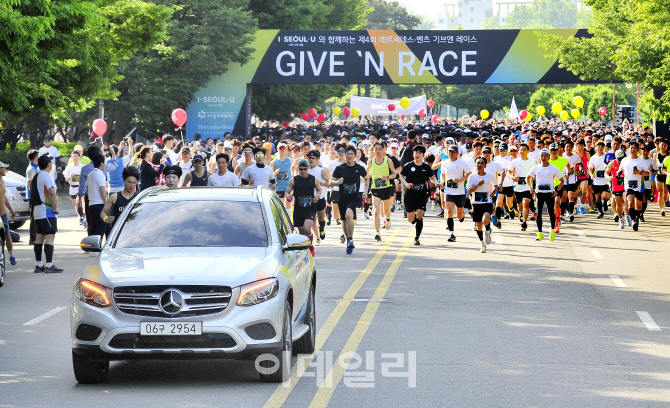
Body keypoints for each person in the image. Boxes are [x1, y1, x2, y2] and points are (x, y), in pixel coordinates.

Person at [330, 145, 367, 254]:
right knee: (344, 220)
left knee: (348, 215)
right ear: (345, 155)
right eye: (348, 154)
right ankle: (348, 241)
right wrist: (337, 182)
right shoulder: (339, 168)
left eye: (352, 154)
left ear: (355, 156)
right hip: (342, 197)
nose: (349, 156)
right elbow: (330, 182)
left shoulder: (359, 168)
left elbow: (367, 178)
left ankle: (350, 238)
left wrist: (365, 191)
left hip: (354, 196)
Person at [400, 145, 437, 246]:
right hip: (410, 193)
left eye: (420, 153)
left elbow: (432, 178)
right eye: (416, 152)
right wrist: (406, 184)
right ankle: (415, 219)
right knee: (411, 219)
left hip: (421, 193)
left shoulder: (426, 167)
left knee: (420, 213)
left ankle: (417, 238)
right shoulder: (408, 165)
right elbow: (401, 176)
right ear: (413, 154)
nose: (417, 154)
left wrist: (437, 183)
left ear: (423, 155)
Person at [32, 155, 63, 273]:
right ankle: (49, 265)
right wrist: (55, 208)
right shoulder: (47, 176)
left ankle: (39, 264)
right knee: (50, 236)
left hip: (37, 210)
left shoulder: (37, 176)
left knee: (39, 236)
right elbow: (52, 193)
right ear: (49, 164)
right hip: (47, 211)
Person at [285, 159, 321, 256]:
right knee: (301, 233)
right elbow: (287, 191)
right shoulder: (293, 180)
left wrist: (317, 197)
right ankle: (304, 251)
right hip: (298, 209)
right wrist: (289, 196)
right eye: (301, 169)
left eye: (305, 169)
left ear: (308, 168)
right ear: (298, 169)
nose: (303, 171)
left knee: (307, 229)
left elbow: (319, 190)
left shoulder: (314, 179)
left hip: (310, 208)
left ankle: (311, 246)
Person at [528, 149, 564, 242]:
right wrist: (531, 188)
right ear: (539, 157)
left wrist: (557, 191)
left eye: (545, 156)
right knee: (538, 213)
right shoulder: (536, 168)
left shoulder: (553, 168)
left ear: (548, 157)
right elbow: (528, 178)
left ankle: (552, 230)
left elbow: (562, 180)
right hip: (539, 193)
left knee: (551, 212)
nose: (543, 158)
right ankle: (540, 233)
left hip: (550, 194)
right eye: (542, 156)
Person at [367, 141, 398, 241]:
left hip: (387, 188)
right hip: (375, 189)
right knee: (376, 210)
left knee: (386, 210)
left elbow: (394, 174)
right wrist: (366, 176)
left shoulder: (388, 160)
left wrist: (387, 177)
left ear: (384, 149)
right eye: (376, 149)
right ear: (373, 150)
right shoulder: (370, 161)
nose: (378, 151)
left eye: (380, 149)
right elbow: (367, 174)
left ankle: (388, 219)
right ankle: (377, 232)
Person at [466, 157, 497, 252]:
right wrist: (478, 185)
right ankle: (482, 243)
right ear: (475, 165)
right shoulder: (472, 177)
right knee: (479, 226)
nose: (479, 165)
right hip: (476, 203)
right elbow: (469, 190)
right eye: (478, 163)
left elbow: (495, 184)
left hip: (487, 202)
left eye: (481, 163)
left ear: (485, 165)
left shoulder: (489, 176)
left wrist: (493, 192)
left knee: (486, 220)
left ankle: (487, 231)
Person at [441, 145, 470, 242]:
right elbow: (443, 174)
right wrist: (442, 182)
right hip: (449, 190)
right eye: (449, 151)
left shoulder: (462, 163)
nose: (451, 153)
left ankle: (462, 215)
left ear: (457, 153)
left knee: (459, 216)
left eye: (453, 151)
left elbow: (468, 174)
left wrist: (460, 180)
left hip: (460, 191)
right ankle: (452, 234)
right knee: (449, 211)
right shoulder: (445, 163)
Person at [507, 143, 536, 232]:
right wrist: (513, 177)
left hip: (528, 186)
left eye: (524, 149)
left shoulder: (532, 161)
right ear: (519, 151)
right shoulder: (515, 161)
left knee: (525, 203)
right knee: (520, 207)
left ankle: (524, 222)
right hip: (518, 187)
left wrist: (534, 186)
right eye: (521, 149)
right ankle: (521, 214)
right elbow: (508, 172)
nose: (522, 151)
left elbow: (535, 174)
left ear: (528, 151)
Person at [306, 150, 330, 244]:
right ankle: (313, 238)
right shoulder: (304, 169)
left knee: (321, 219)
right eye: (309, 158)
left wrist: (318, 183)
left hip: (320, 198)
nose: (311, 160)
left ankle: (322, 228)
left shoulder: (321, 170)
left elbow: (329, 183)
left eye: (313, 158)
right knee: (311, 220)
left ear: (318, 159)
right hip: (308, 199)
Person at [85, 154, 108, 239]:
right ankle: (96, 247)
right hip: (100, 204)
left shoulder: (90, 174)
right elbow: (102, 190)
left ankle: (92, 248)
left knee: (93, 226)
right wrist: (106, 203)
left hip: (91, 204)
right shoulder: (100, 174)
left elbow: (87, 188)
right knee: (101, 227)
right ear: (101, 164)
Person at [0, 162, 17, 265]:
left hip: (3, 214)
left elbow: (4, 197)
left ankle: (11, 256)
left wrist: (11, 209)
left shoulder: (2, 181)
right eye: (4, 168)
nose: (5, 170)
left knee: (7, 234)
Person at [64, 150, 85, 224]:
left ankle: (83, 217)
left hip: (80, 188)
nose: (75, 158)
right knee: (76, 205)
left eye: (76, 156)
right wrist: (70, 176)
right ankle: (80, 216)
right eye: (73, 156)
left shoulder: (82, 167)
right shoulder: (69, 167)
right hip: (72, 188)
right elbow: (66, 179)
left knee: (81, 202)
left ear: (79, 157)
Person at [270, 142, 293, 209]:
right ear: (277, 149)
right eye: (280, 148)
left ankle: (289, 219)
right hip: (278, 187)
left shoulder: (291, 161)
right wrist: (275, 173)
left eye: (284, 148)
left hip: (288, 186)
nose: (282, 150)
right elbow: (270, 176)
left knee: (288, 205)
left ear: (286, 150)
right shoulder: (273, 162)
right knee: (280, 206)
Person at [26, 149, 40, 244]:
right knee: (34, 218)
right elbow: (30, 183)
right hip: (33, 197)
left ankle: (35, 237)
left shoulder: (34, 167)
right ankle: (32, 239)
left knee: (35, 217)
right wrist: (34, 194)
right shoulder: (31, 168)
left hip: (34, 196)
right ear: (35, 157)